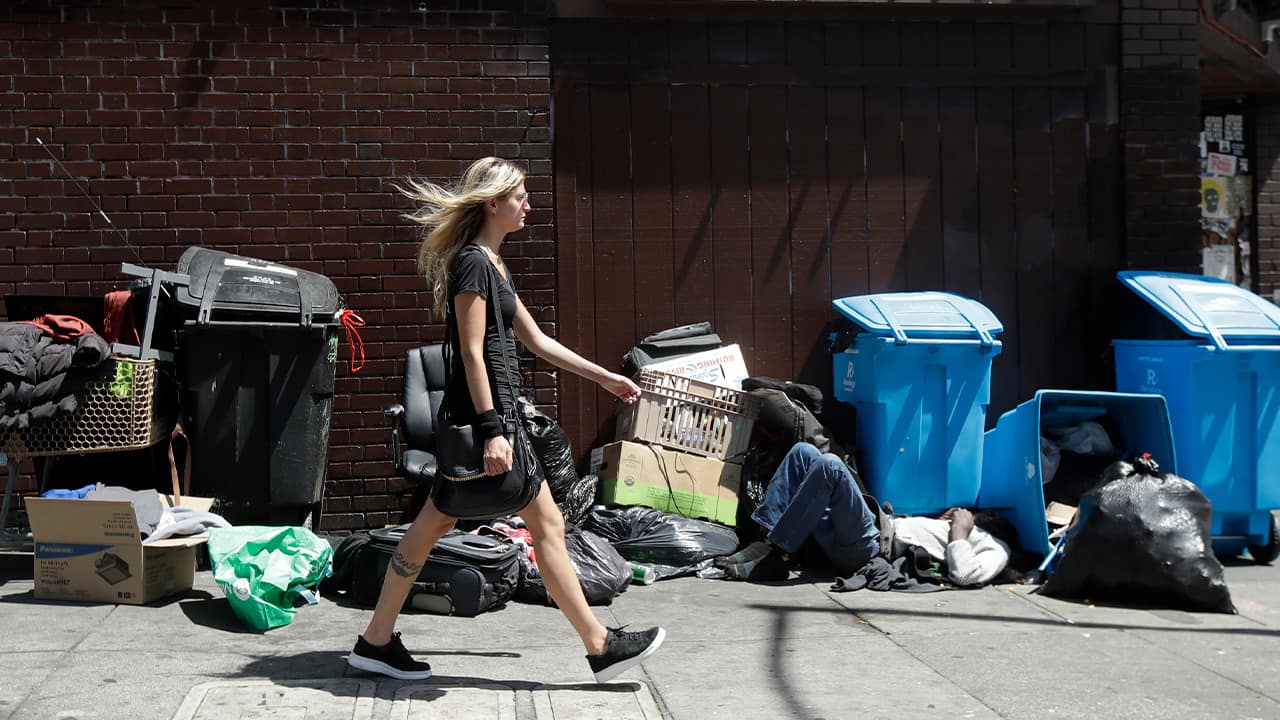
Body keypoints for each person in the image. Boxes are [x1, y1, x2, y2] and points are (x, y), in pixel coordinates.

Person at [346, 157, 665, 683]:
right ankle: (600, 645)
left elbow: (536, 342)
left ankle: (375, 641)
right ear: (492, 203)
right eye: (519, 195)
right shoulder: (473, 263)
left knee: (443, 525)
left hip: (497, 416)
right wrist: (494, 431)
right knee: (536, 526)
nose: (528, 203)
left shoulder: (493, 264)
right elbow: (472, 353)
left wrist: (603, 377)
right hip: (485, 421)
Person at [718, 442, 1012, 587]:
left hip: (874, 548)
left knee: (831, 466)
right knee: (803, 452)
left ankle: (777, 553)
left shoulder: (998, 549)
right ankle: (765, 542)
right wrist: (941, 523)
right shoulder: (965, 524)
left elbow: (964, 575)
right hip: (874, 528)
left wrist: (959, 534)